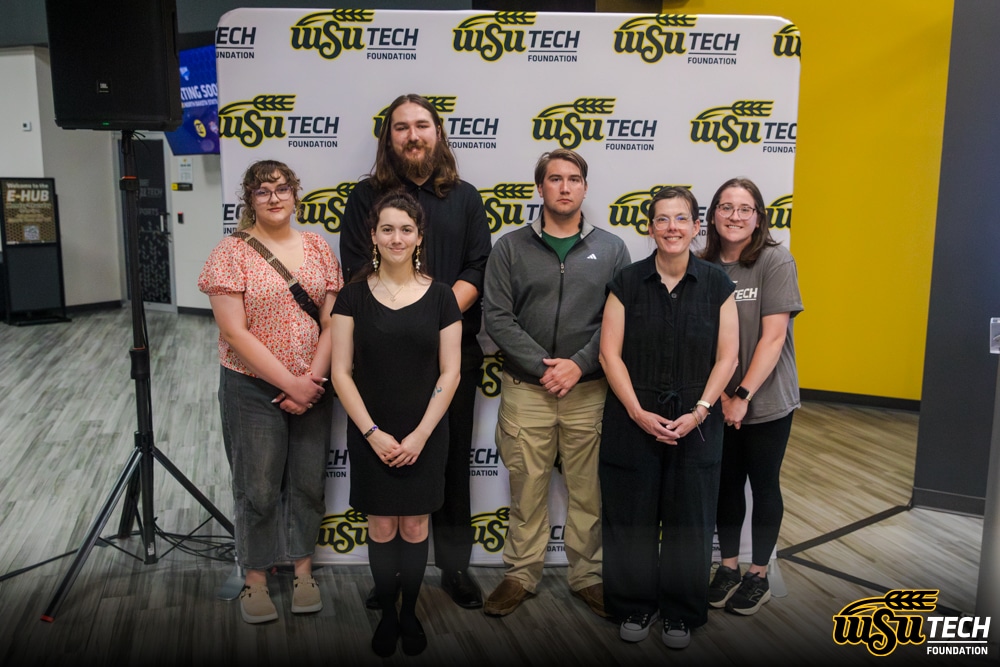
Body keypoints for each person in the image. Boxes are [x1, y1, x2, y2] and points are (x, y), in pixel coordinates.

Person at [340, 93, 492, 610]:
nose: (413, 135)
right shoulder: (365, 197)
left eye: (422, 125)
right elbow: (356, 267)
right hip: (380, 355)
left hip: (452, 355)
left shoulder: (465, 197)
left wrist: (437, 313)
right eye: (401, 127)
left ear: (437, 133)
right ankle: (390, 579)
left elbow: (478, 266)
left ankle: (454, 568)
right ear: (389, 138)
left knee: (448, 463)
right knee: (384, 464)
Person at [482, 149, 631, 618]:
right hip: (527, 389)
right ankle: (520, 574)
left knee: (589, 492)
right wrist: (544, 366)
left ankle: (589, 575)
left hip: (589, 391)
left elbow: (618, 319)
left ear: (585, 187)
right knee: (526, 490)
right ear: (540, 187)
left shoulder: (612, 249)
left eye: (573, 179)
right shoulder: (510, 247)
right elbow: (497, 316)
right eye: (554, 179)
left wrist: (579, 365)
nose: (564, 187)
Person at [198, 159, 343, 624]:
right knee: (258, 490)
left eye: (282, 188)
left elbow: (331, 322)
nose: (274, 197)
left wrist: (310, 383)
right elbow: (234, 332)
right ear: (250, 200)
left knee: (307, 485)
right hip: (251, 388)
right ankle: (255, 580)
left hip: (312, 387)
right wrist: (290, 383)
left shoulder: (319, 248)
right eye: (263, 191)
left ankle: (303, 573)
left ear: (295, 195)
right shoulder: (231, 253)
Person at [598, 186, 738, 649]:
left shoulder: (718, 284)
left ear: (697, 227)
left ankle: (680, 612)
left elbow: (728, 357)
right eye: (662, 219)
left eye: (681, 219)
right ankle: (635, 605)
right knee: (631, 519)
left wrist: (701, 411)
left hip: (698, 420)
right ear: (650, 227)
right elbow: (609, 354)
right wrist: (637, 412)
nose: (672, 227)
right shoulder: (626, 281)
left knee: (690, 522)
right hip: (632, 417)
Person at [330, 191, 462, 657]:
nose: (396, 238)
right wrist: (372, 433)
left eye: (406, 229)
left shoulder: (443, 297)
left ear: (419, 236)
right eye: (387, 229)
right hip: (372, 431)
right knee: (383, 526)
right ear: (373, 235)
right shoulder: (350, 297)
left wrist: (421, 434)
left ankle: (409, 614)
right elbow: (340, 373)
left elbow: (451, 372)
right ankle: (388, 614)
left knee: (416, 527)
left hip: (426, 431)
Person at [700, 177, 803, 616]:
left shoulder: (775, 260)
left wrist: (742, 394)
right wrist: (723, 395)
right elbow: (702, 338)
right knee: (725, 484)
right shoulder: (702, 265)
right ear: (713, 216)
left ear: (759, 217)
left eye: (745, 209)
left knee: (763, 484)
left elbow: (773, 337)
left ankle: (758, 574)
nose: (735, 216)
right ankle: (727, 567)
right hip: (718, 398)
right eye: (726, 207)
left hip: (767, 398)